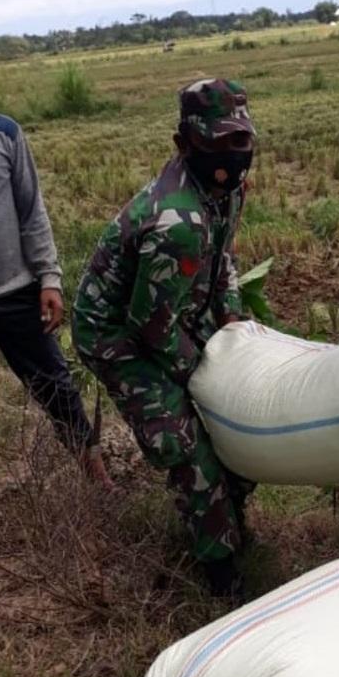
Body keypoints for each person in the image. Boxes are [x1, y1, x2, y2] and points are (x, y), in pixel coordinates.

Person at [73, 78, 255, 597]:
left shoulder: (226, 190)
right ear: (184, 144)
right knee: (187, 444)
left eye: (239, 141)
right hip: (117, 336)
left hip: (173, 307)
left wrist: (234, 324)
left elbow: (224, 260)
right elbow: (150, 330)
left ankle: (230, 519)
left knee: (234, 421)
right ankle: (221, 572)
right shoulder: (178, 221)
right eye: (215, 143)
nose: (231, 154)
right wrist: (207, 373)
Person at [0, 26, 111, 515]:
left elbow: (32, 211)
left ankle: (97, 476)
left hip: (15, 294)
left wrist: (49, 278)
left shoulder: (3, 134)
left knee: (56, 387)